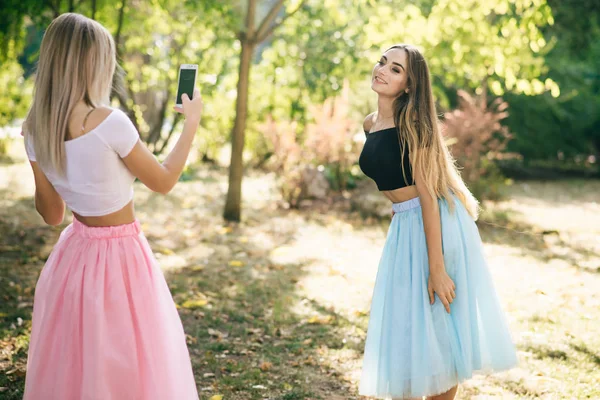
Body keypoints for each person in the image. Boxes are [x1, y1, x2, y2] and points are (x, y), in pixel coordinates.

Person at [22, 13, 201, 399]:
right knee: (128, 364)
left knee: (78, 365)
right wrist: (191, 123)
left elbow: (52, 215)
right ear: (92, 63)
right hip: (120, 258)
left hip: (72, 259)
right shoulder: (109, 122)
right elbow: (165, 180)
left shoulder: (35, 128)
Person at [358, 44, 517, 400]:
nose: (382, 69)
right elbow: (392, 176)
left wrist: (437, 267)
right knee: (412, 330)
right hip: (404, 226)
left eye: (396, 69)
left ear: (410, 85)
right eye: (383, 62)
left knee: (440, 333)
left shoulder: (415, 125)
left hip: (437, 225)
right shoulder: (371, 123)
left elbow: (428, 196)